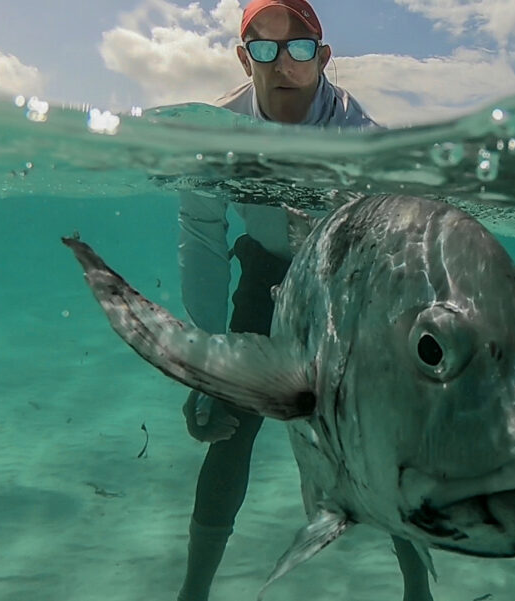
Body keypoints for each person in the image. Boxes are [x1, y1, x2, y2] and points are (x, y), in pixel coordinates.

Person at [176, 2, 433, 601]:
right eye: (263, 48)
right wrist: (206, 361)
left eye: (296, 47)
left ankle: (418, 585)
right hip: (263, 272)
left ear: (322, 57)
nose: (280, 63)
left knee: (380, 434)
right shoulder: (213, 134)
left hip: (345, 285)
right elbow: (201, 238)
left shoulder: (360, 142)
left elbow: (394, 252)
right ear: (244, 58)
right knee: (228, 430)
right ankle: (193, 593)